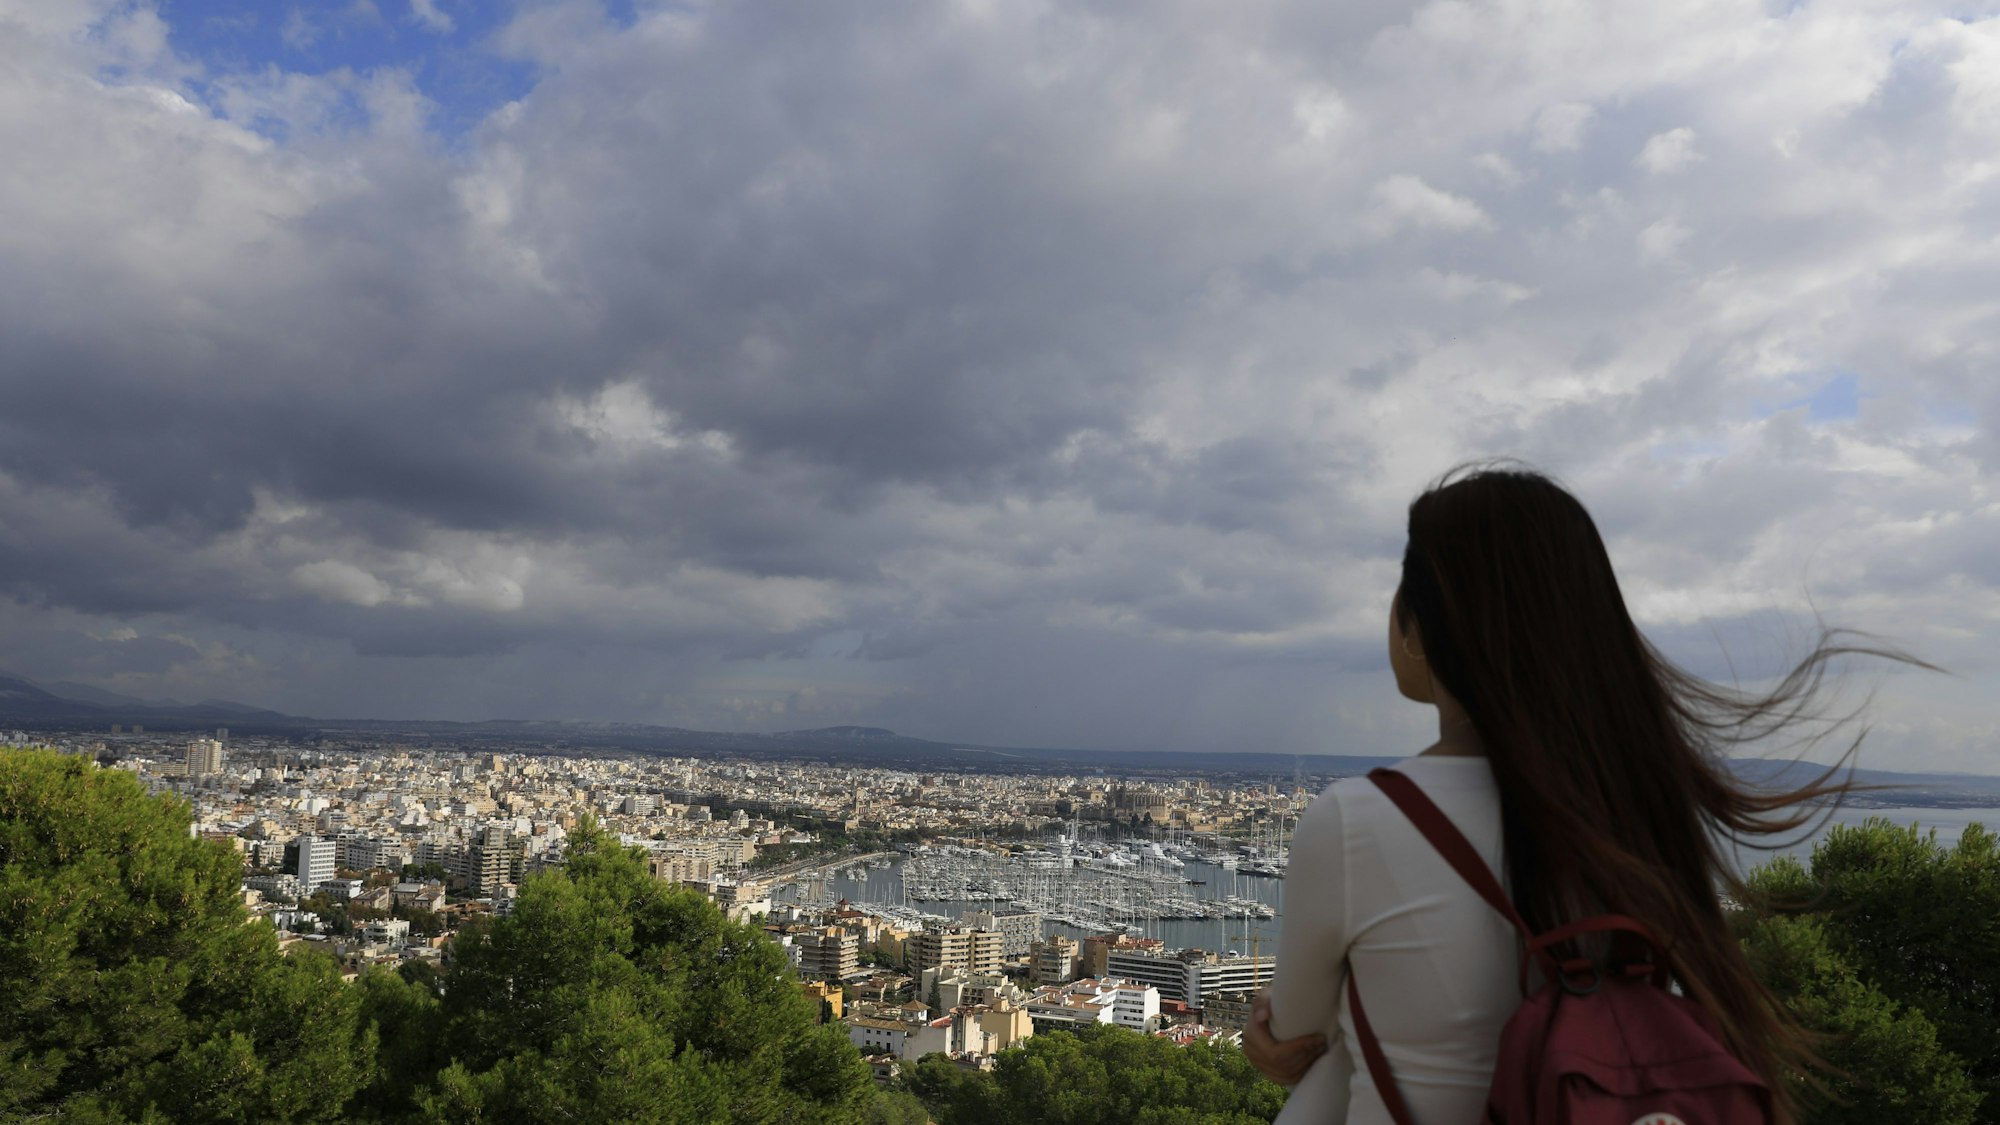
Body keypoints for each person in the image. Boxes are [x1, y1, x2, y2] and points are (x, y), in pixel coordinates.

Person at [1241, 463, 1920, 1125]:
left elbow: (1293, 1036)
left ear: (1426, 625)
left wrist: (1278, 1036)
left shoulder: (1355, 819)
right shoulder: (1636, 808)